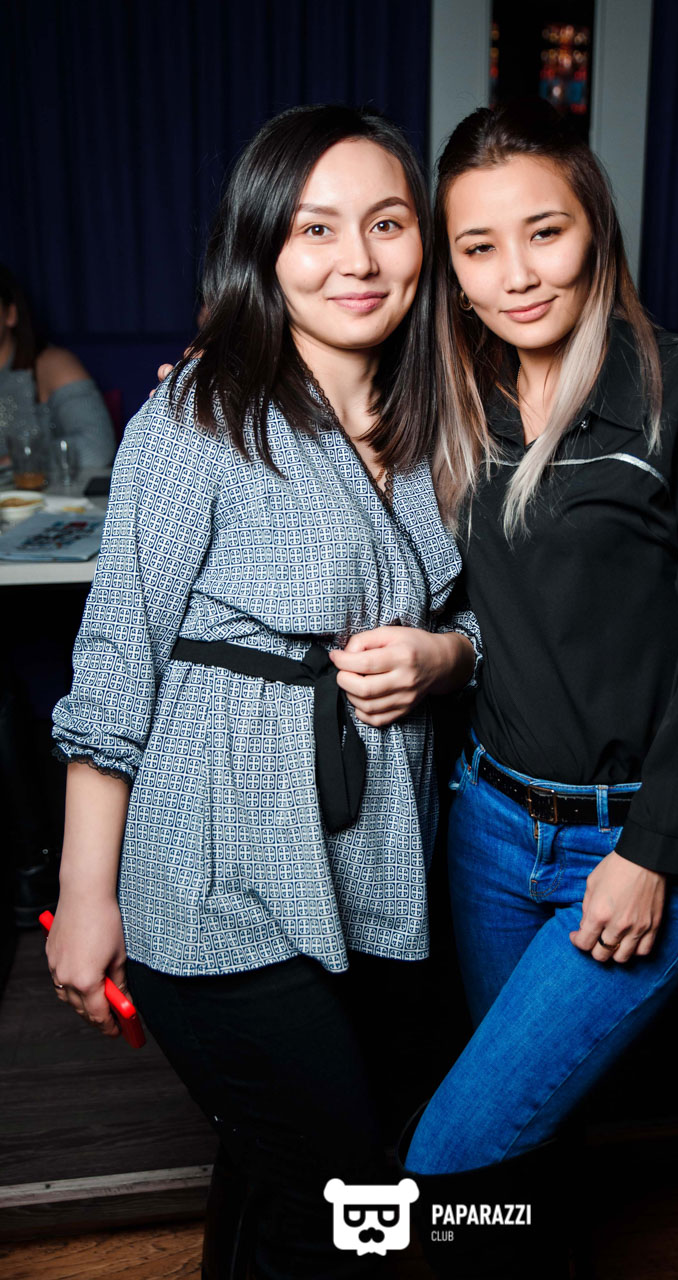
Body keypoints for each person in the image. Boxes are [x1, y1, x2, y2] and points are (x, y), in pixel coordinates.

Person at [333, 100, 678, 1277]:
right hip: (484, 826)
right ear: (450, 265)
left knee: (450, 1151)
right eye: (478, 246)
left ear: (595, 230)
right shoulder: (452, 397)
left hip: (624, 846)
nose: (515, 275)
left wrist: (655, 850)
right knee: (524, 1135)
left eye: (544, 232)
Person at [47, 104, 480, 1280]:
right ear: (262, 247)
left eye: (386, 222)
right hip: (218, 860)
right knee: (350, 1201)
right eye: (314, 228)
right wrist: (85, 895)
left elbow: (501, 613)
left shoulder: (448, 417)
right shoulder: (199, 413)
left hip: (379, 862)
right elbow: (117, 656)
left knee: (285, 1169)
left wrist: (444, 655)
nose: (357, 259)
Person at [0, 264, 116, 468]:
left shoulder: (51, 364)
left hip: (46, 489)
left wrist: (17, 460)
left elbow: (97, 448)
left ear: (10, 314)